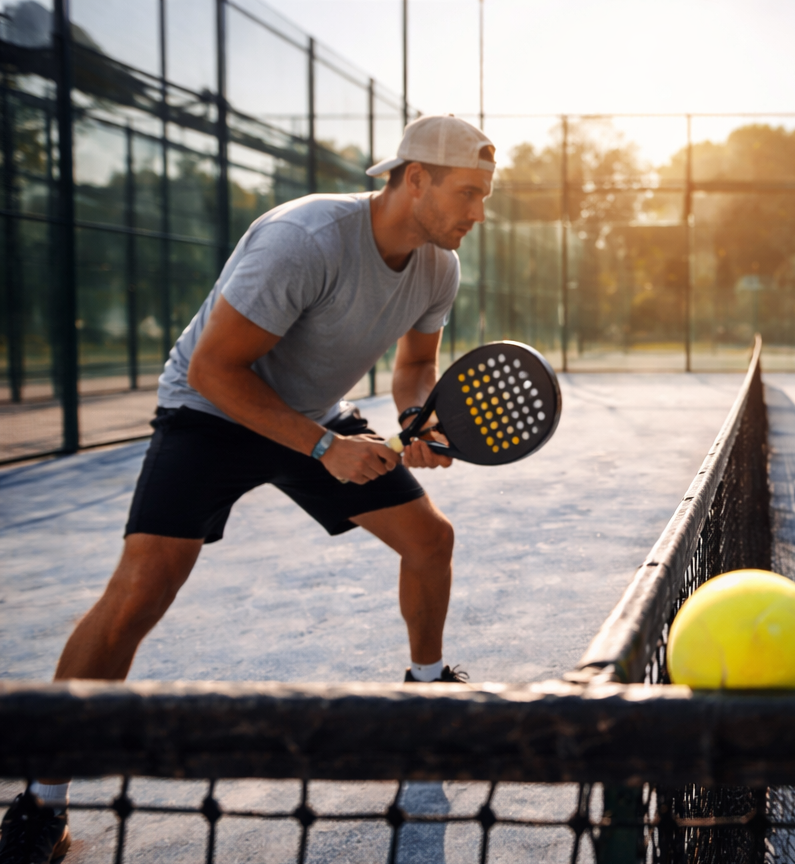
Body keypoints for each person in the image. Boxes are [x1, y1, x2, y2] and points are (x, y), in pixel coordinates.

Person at [0, 115, 497, 864]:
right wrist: (326, 448)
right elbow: (212, 371)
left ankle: (425, 684)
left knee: (430, 540)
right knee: (140, 592)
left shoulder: (439, 265)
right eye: (467, 192)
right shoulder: (303, 239)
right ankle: (42, 794)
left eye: (485, 196)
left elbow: (414, 368)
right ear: (414, 178)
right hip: (212, 411)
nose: (477, 213)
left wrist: (418, 421)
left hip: (315, 414)